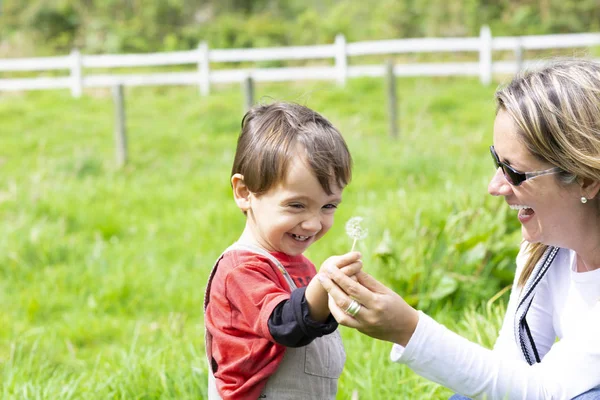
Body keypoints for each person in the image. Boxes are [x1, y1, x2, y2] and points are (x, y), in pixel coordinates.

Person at [317, 58, 600, 400]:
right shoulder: (546, 248)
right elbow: (513, 368)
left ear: (586, 179)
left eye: (514, 171)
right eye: (498, 162)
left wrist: (408, 329)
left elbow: (544, 391)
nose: (495, 186)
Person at [203, 101, 362, 399]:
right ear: (245, 193)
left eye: (328, 206)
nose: (313, 223)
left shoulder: (296, 263)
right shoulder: (239, 269)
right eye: (297, 205)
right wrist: (324, 286)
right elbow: (284, 323)